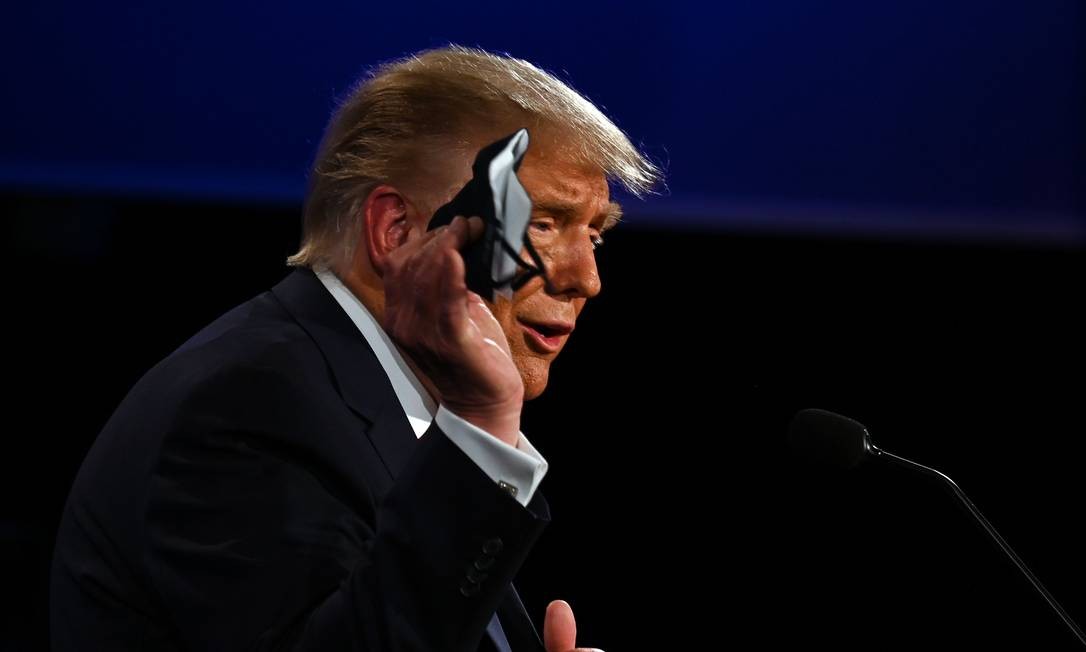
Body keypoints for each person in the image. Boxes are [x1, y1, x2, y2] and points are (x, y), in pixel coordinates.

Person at [50, 45, 660, 651]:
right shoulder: (248, 407)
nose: (586, 278)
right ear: (396, 233)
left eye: (597, 236)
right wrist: (482, 422)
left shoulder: (353, 401)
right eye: (545, 224)